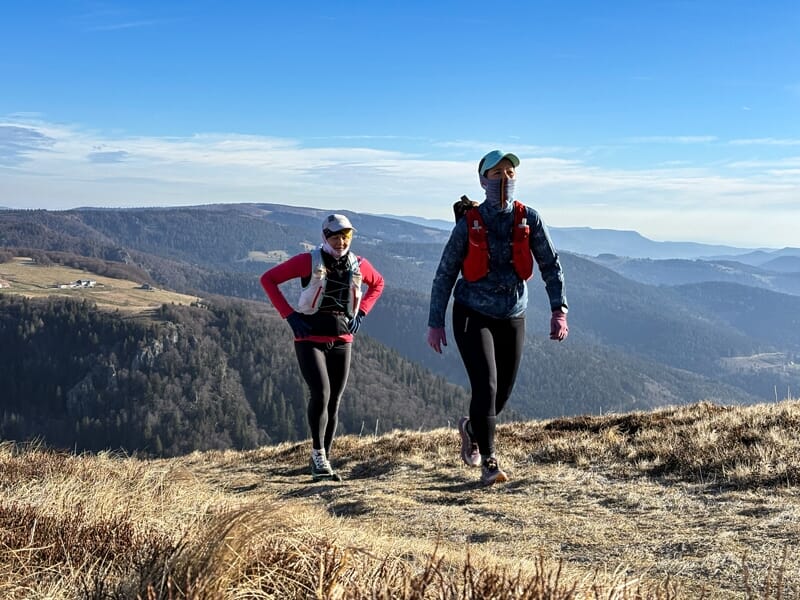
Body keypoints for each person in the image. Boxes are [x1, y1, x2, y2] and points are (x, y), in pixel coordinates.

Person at [427, 150, 568, 486]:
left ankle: (472, 428)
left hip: (513, 314)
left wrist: (558, 309)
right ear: (482, 179)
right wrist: (435, 322)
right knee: (486, 386)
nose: (504, 178)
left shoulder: (528, 219)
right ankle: (489, 462)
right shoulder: (469, 223)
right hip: (472, 314)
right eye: (496, 173)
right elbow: (445, 274)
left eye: (509, 172)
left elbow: (550, 265)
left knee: (501, 393)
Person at [260, 214, 384, 481]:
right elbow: (268, 279)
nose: (341, 242)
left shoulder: (359, 264)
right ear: (325, 237)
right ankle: (318, 455)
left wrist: (361, 312)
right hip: (309, 338)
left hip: (342, 338)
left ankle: (323, 461)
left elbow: (378, 283)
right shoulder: (307, 261)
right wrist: (290, 316)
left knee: (335, 401)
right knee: (321, 393)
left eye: (346, 236)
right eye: (336, 236)